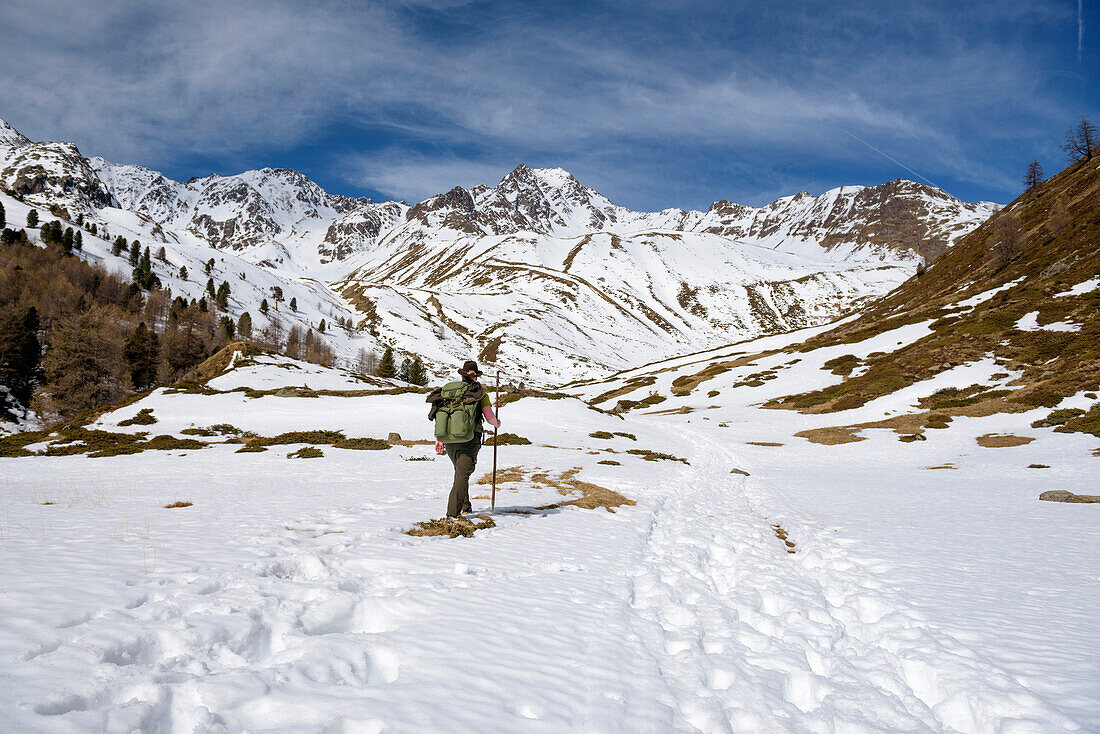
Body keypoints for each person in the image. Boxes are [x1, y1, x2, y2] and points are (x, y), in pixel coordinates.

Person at [430, 360, 500, 517]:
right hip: (469, 440)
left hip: (449, 440)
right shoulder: (479, 393)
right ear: (475, 377)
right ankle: (452, 515)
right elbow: (490, 419)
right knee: (462, 476)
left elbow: (443, 417)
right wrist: (498, 424)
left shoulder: (449, 392)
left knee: (460, 473)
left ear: (462, 375)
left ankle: (465, 506)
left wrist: (439, 439)